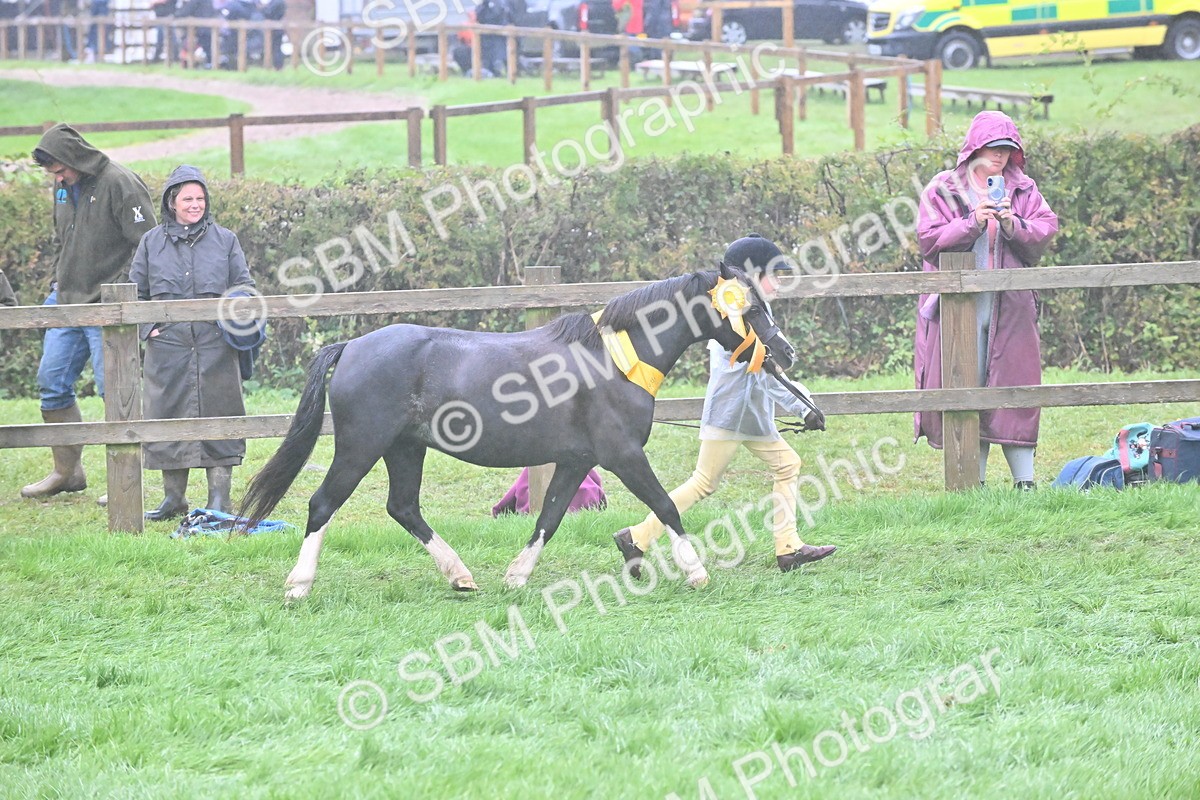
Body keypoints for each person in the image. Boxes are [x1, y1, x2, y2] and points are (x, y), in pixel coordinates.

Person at [612, 234, 837, 576]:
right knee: (703, 483)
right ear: (749, 276)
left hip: (750, 418)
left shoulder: (753, 311)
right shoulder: (734, 316)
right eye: (773, 274)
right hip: (732, 417)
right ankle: (638, 536)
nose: (779, 282)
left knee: (787, 464)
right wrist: (803, 406)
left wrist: (803, 403)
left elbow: (768, 371)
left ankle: (788, 547)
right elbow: (765, 372)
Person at [914, 110, 1058, 489]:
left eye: (1007, 149)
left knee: (1016, 388)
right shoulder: (942, 188)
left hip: (1009, 307)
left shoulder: (1024, 188)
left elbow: (1044, 231)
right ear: (975, 147)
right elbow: (929, 241)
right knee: (964, 389)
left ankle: (1024, 483)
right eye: (993, 148)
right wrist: (972, 222)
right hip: (957, 310)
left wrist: (1014, 225)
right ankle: (970, 484)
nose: (999, 156)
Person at [24, 124, 156, 504]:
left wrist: (126, 293)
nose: (58, 179)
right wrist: (55, 281)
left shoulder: (121, 183)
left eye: (61, 170)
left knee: (114, 390)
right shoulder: (64, 184)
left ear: (76, 157)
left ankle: (129, 481)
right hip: (64, 300)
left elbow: (149, 245)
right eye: (53, 174)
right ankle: (67, 472)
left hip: (107, 305)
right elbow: (63, 239)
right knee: (51, 382)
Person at [129, 165, 255, 520]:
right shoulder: (151, 242)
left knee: (221, 416)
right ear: (172, 201)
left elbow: (245, 287)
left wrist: (232, 325)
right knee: (167, 418)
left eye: (200, 198)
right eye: (188, 198)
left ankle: (220, 501)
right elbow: (136, 291)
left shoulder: (226, 240)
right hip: (168, 350)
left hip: (217, 349)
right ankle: (174, 500)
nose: (195, 204)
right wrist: (149, 328)